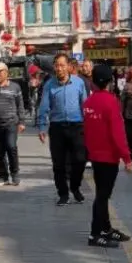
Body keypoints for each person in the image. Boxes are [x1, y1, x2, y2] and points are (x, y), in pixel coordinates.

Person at [83, 64, 132, 249]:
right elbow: (117, 133)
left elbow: (86, 131)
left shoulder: (88, 103)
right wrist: (127, 158)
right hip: (109, 156)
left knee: (101, 194)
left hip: (95, 156)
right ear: (110, 81)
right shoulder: (111, 101)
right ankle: (95, 234)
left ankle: (106, 229)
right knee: (102, 196)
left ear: (93, 81)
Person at [37, 52, 89, 206]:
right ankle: (63, 194)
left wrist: (90, 125)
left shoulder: (79, 83)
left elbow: (85, 105)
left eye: (62, 65)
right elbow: (44, 107)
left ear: (68, 66)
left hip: (77, 127)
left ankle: (75, 187)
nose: (59, 68)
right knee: (58, 164)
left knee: (80, 160)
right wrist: (42, 127)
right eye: (57, 65)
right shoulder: (49, 85)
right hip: (57, 128)